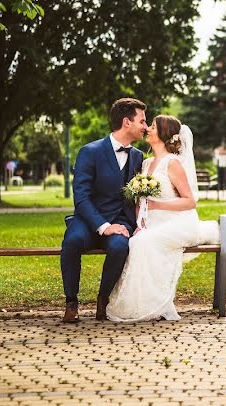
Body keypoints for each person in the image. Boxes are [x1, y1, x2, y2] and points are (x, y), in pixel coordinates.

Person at [106, 115, 218, 322]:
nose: (148, 128)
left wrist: (158, 205)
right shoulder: (147, 163)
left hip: (178, 222)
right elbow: (140, 200)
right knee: (138, 240)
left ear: (164, 133)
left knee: (143, 242)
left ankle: (160, 304)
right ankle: (142, 304)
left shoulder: (172, 163)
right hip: (152, 223)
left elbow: (189, 201)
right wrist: (140, 223)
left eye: (153, 126)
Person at [61, 98, 148, 323]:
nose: (146, 127)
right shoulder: (90, 152)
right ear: (127, 122)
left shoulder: (138, 157)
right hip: (88, 221)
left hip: (121, 221)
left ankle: (103, 300)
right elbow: (80, 196)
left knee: (120, 247)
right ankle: (71, 302)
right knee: (72, 242)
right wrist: (103, 226)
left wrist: (138, 224)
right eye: (142, 121)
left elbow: (139, 198)